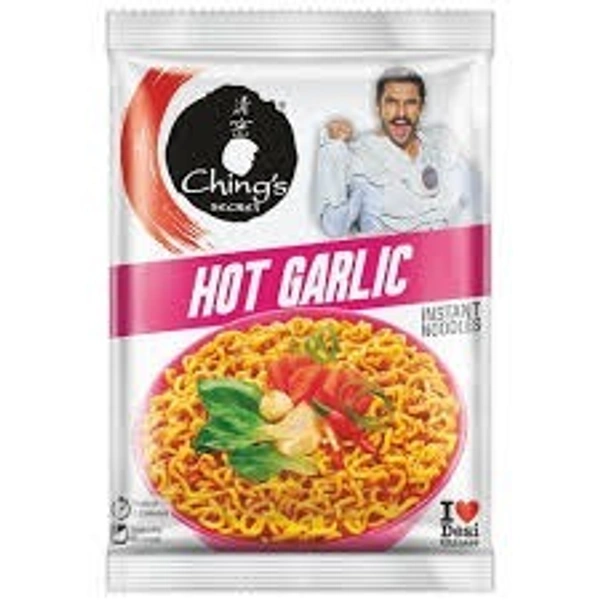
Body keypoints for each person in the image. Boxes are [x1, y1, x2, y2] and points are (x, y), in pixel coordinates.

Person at [317, 67, 481, 236]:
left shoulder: (442, 143)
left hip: (445, 250)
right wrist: (333, 149)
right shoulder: (361, 157)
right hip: (391, 251)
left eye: (410, 103)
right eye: (392, 102)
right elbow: (334, 226)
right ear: (378, 106)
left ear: (421, 107)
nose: (401, 113)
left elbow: (473, 201)